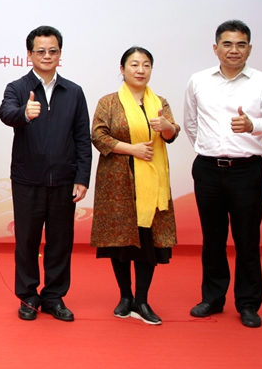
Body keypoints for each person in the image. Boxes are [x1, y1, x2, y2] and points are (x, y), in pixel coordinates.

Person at [184, 20, 262, 328]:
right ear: (215, 48)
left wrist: (253, 126)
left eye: (241, 44)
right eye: (227, 44)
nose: (234, 50)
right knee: (212, 238)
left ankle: (248, 303)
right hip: (208, 170)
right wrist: (210, 149)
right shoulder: (198, 81)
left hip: (246, 171)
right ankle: (213, 298)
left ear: (249, 49)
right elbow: (191, 123)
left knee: (247, 239)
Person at [0, 25, 91, 322]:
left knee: (60, 242)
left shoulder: (73, 92)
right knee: (26, 241)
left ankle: (54, 297)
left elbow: (82, 137)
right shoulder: (17, 88)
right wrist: (24, 114)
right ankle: (28, 297)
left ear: (60, 54)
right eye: (40, 51)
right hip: (27, 180)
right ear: (29, 54)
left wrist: (82, 178)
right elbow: (6, 113)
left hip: (64, 181)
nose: (47, 56)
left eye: (53, 51)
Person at [90, 47, 179, 325]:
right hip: (117, 183)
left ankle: (142, 300)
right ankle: (125, 296)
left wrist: (166, 126)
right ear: (122, 69)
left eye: (146, 65)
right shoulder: (108, 102)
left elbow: (172, 134)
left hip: (151, 183)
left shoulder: (160, 102)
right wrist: (132, 149)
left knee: (147, 241)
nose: (141, 70)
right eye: (134, 64)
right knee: (121, 241)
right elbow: (98, 136)